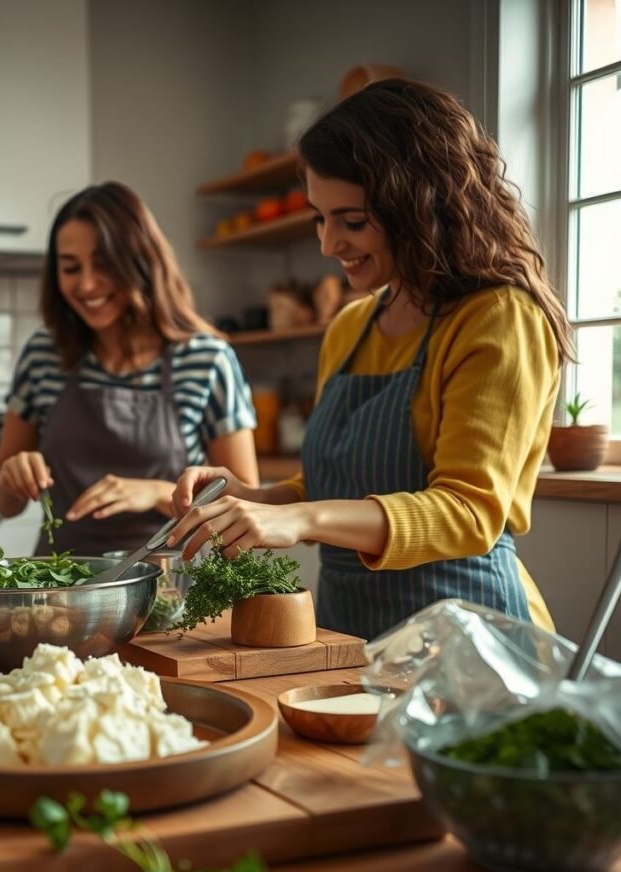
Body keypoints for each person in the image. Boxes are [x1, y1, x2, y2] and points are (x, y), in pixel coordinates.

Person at [168, 78, 573, 641]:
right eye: (319, 217)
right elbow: (338, 486)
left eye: (351, 221)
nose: (328, 243)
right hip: (350, 637)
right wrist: (254, 498)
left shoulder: (499, 317)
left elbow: (469, 513)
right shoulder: (351, 326)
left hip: (472, 640)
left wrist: (298, 519)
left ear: (420, 204)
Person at [0, 181, 259, 555]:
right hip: (61, 588)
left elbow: (245, 507)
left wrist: (158, 493)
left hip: (172, 591)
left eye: (103, 264)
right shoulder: (42, 355)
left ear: (141, 260)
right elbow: (4, 503)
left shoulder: (206, 358)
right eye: (70, 267)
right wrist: (10, 477)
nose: (85, 284)